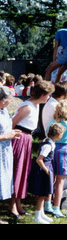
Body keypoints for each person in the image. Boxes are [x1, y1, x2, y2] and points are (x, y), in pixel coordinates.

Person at [9, 80, 54, 219]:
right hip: (20, 139)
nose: (48, 98)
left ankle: (18, 202)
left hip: (27, 139)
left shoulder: (35, 106)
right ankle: (12, 206)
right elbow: (12, 123)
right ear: (42, 95)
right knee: (17, 170)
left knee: (23, 172)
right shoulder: (27, 107)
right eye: (48, 95)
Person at [27, 123, 65, 224]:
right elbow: (39, 159)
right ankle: (37, 216)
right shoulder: (48, 145)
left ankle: (41, 213)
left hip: (47, 168)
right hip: (44, 170)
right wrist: (47, 170)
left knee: (45, 193)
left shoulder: (48, 141)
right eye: (62, 134)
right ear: (58, 135)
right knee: (41, 194)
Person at [0, 87, 22, 223]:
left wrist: (12, 133)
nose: (11, 101)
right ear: (2, 100)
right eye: (9, 99)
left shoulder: (4, 110)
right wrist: (7, 135)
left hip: (5, 150)